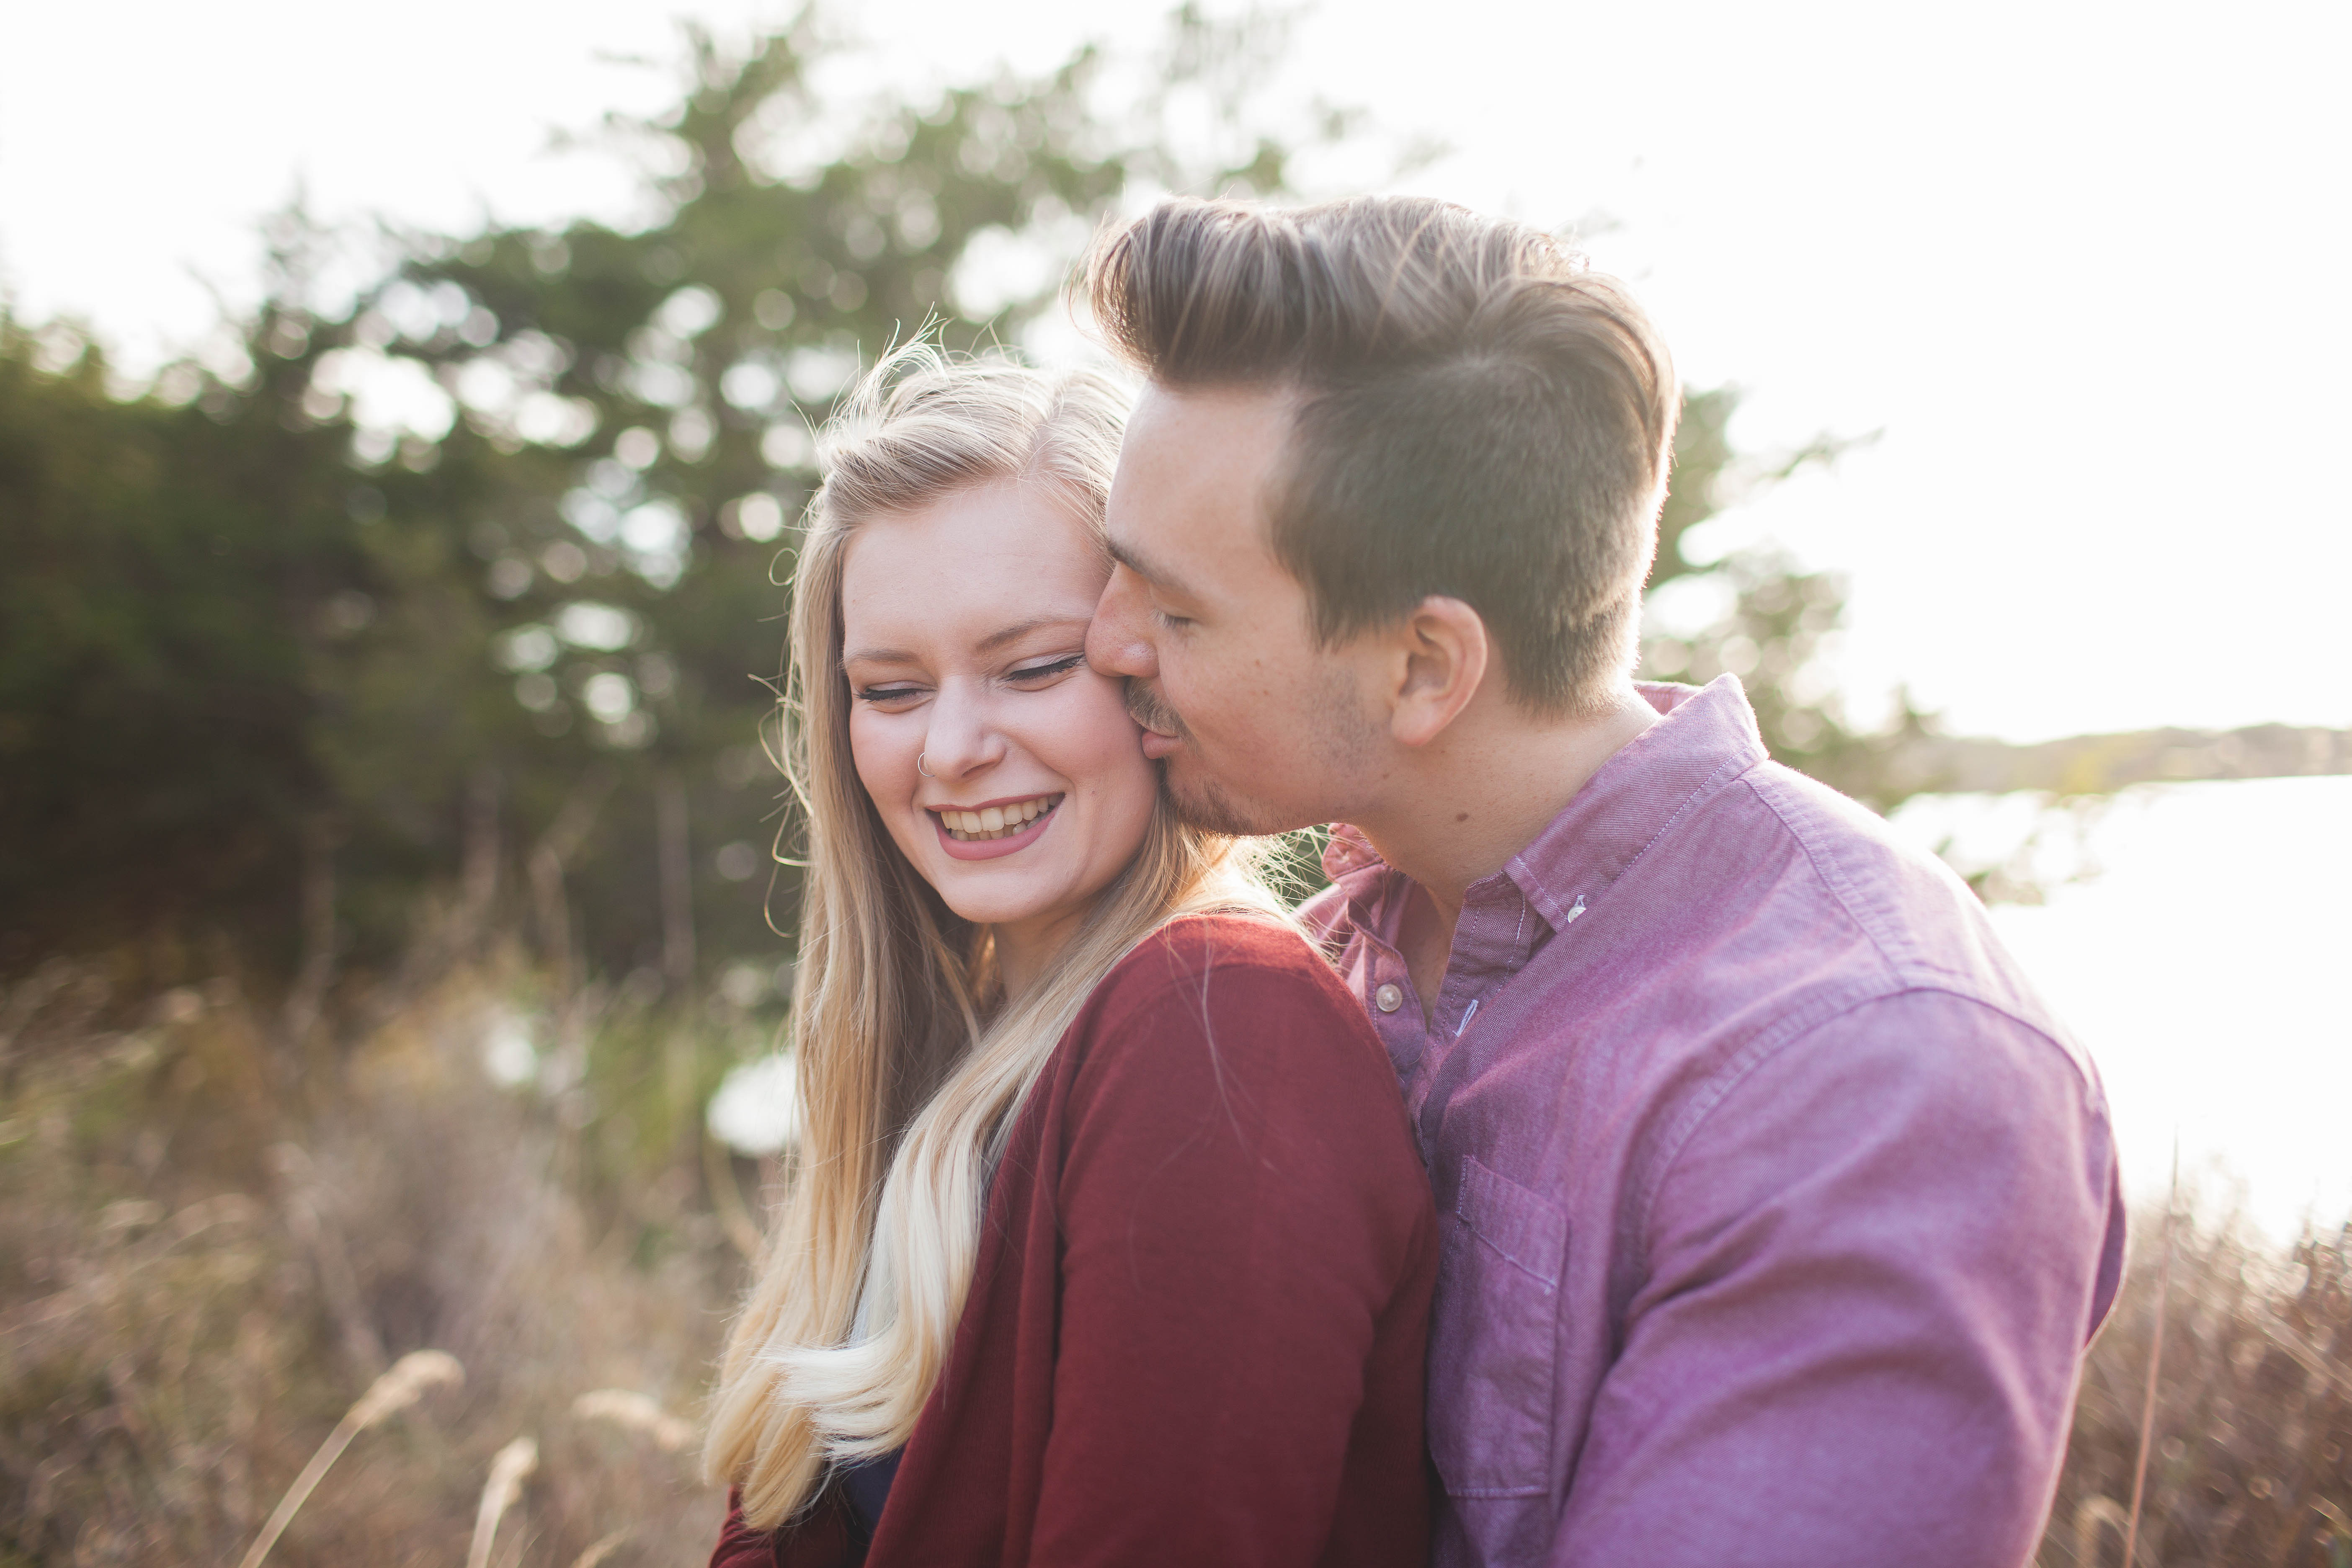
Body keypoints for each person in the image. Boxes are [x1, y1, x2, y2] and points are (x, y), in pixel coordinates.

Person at [1082, 196, 2128, 1568]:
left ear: (1422, 671)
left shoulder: (1875, 1071)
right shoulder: (1329, 949)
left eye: (1176, 612)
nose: (1105, 644)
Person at [701, 348, 1438, 1568]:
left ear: (1156, 666)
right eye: (890, 688)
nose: (951, 750)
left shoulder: (1222, 1027)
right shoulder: (941, 1059)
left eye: (1034, 667)